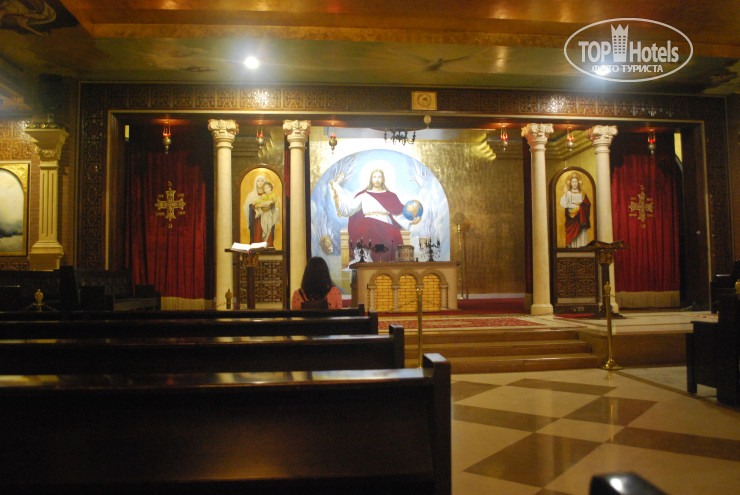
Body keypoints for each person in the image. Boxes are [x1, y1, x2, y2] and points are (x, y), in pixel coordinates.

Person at [329, 168, 420, 261]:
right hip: (367, 223)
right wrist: (337, 194)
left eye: (379, 177)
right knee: (362, 229)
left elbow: (398, 212)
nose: (377, 179)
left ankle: (389, 263)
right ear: (371, 179)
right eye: (374, 177)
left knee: (394, 235)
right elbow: (349, 209)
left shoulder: (390, 196)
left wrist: (411, 220)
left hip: (386, 223)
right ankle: (366, 260)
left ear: (383, 179)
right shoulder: (364, 195)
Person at [559, 173, 591, 248]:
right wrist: (565, 193)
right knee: (572, 238)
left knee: (581, 234)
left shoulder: (582, 193)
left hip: (580, 218)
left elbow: (588, 205)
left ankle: (582, 249)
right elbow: (564, 204)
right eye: (572, 182)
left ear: (578, 183)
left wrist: (581, 204)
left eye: (576, 181)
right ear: (570, 183)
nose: (574, 183)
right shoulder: (568, 193)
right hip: (571, 219)